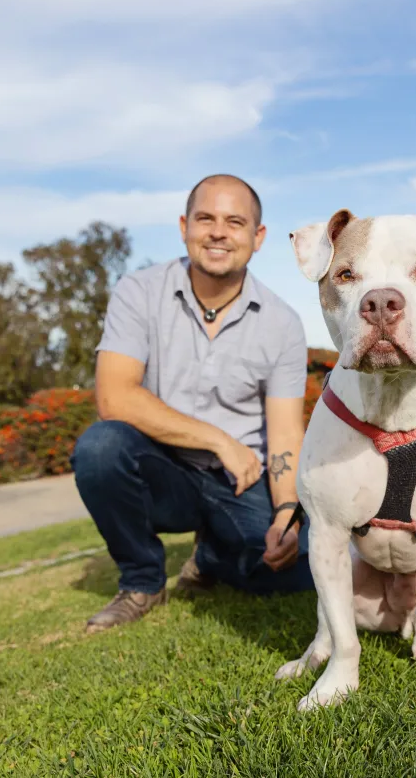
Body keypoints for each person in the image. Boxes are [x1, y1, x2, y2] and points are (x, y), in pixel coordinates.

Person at [71, 174, 314, 634]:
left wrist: (286, 513)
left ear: (257, 238)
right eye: (206, 218)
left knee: (295, 571)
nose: (219, 232)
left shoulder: (283, 322)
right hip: (163, 469)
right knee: (101, 448)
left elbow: (285, 431)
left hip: (242, 480)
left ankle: (212, 556)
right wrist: (217, 439)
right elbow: (113, 396)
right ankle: (142, 581)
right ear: (185, 226)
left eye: (235, 222)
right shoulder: (138, 291)